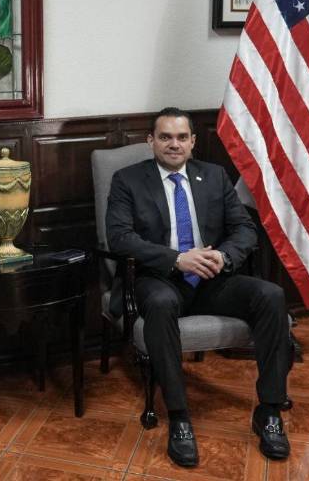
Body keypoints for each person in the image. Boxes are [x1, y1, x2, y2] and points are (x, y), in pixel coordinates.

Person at [106, 107, 290, 468]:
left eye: (181, 137)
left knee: (271, 295)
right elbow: (119, 238)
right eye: (165, 137)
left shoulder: (215, 176)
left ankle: (269, 410)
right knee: (159, 303)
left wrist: (222, 256)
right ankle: (179, 418)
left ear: (193, 142)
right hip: (157, 279)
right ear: (151, 141)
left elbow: (245, 229)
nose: (173, 144)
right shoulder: (127, 180)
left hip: (211, 280)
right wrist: (176, 259)